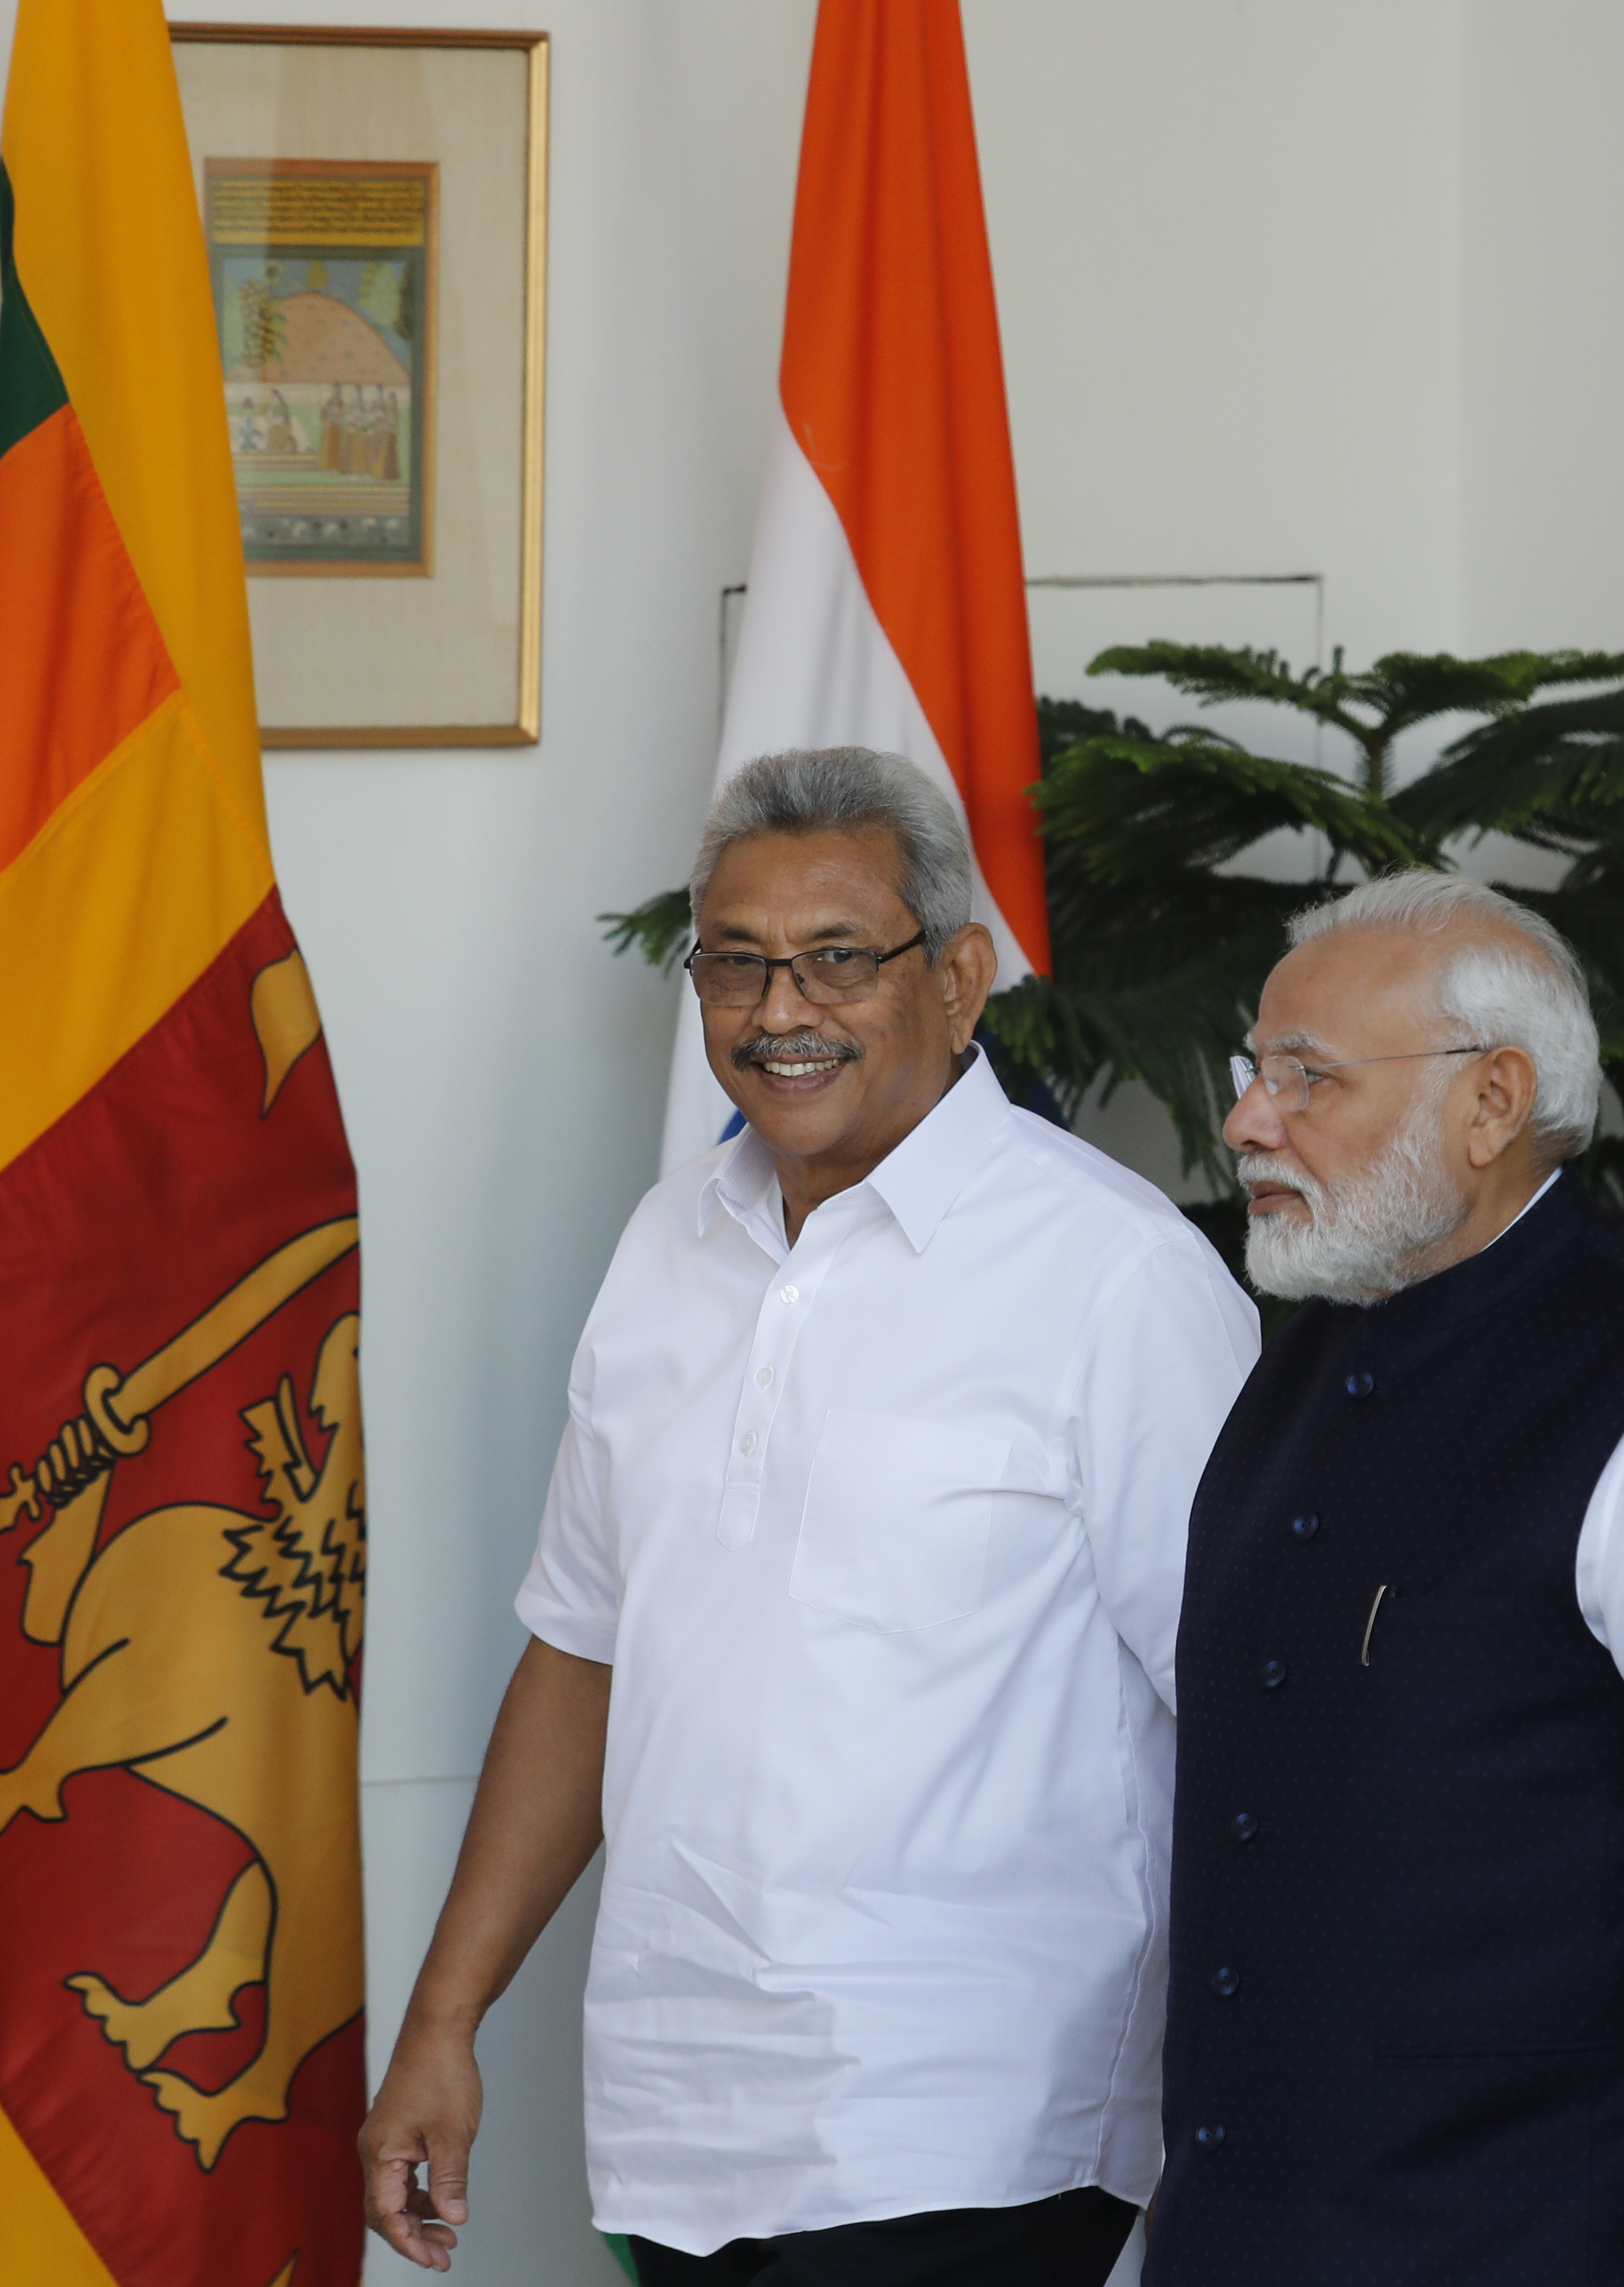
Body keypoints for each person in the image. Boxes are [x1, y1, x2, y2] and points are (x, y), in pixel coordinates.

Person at [361, 748, 1259, 2286]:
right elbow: (583, 1656)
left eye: (841, 958)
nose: (781, 1011)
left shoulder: (1118, 1280)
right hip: (680, 2124)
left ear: (963, 980)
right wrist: (443, 2022)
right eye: (737, 963)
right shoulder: (667, 1245)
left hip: (979, 2133)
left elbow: (1255, 1719)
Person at [1151, 872, 1624, 2287]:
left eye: (1307, 1077)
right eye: (1255, 1072)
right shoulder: (1290, 1370)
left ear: (1493, 1102)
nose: (1248, 1117)